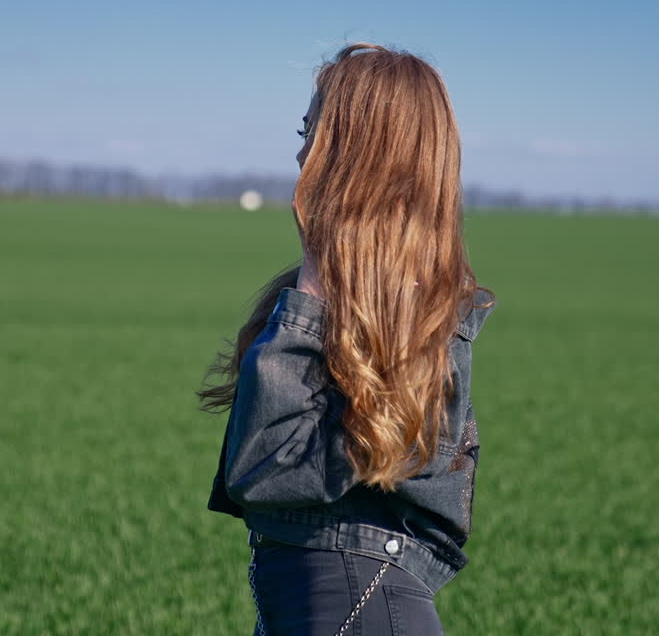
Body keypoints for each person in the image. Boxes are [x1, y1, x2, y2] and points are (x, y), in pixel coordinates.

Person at [197, 42, 498, 635]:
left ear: (357, 156)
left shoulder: (413, 316)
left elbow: (264, 467)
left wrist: (313, 274)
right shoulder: (383, 305)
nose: (301, 152)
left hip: (356, 612)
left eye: (317, 132)